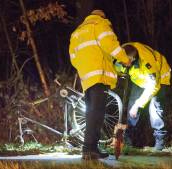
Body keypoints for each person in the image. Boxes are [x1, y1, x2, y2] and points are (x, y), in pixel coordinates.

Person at [69, 9, 131, 159]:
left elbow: (73, 57)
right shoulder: (100, 24)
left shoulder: (77, 32)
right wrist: (125, 59)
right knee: (96, 114)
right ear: (103, 16)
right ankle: (89, 149)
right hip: (99, 75)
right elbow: (111, 45)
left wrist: (85, 68)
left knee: (91, 113)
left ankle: (89, 149)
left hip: (87, 77)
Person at [115, 42, 171, 151]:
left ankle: (160, 141)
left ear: (133, 58)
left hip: (159, 80)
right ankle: (128, 140)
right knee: (132, 107)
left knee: (155, 108)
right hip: (140, 79)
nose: (123, 63)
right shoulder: (121, 54)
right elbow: (115, 67)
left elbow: (153, 86)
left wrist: (138, 104)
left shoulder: (147, 62)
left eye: (126, 62)